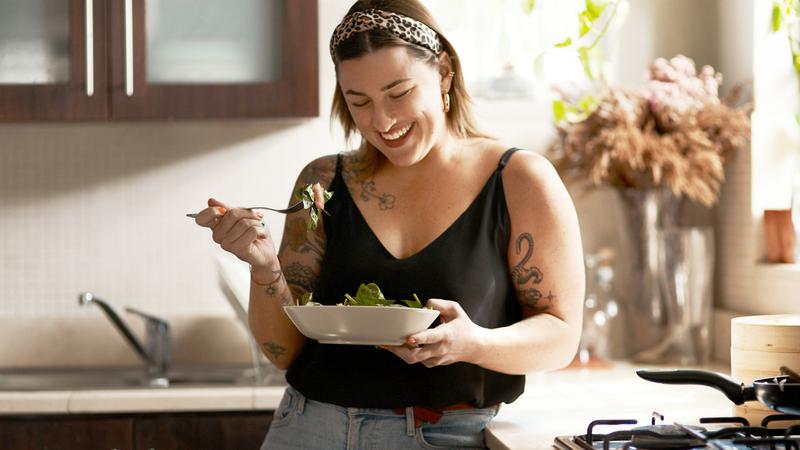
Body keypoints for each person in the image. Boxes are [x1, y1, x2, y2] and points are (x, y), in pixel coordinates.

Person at [194, 1, 584, 448]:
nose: (382, 121)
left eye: (398, 93)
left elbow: (560, 336)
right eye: (359, 102)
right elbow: (282, 351)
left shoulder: (518, 180)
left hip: (445, 436)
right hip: (307, 427)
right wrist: (264, 267)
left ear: (444, 74)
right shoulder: (324, 182)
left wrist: (469, 344)